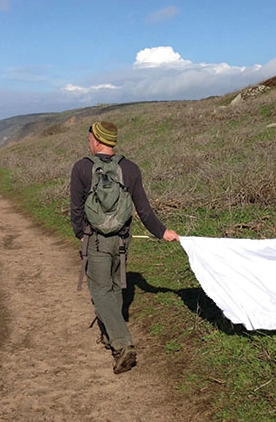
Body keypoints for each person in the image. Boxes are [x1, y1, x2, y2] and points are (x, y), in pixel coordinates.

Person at [70, 121, 179, 374]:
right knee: (116, 284)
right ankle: (111, 336)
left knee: (100, 291)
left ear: (96, 139)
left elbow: (76, 209)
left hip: (94, 239)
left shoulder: (82, 168)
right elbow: (144, 210)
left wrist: (80, 234)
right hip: (121, 241)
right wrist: (162, 232)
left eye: (89, 136)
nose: (88, 140)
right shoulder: (130, 169)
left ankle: (122, 344)